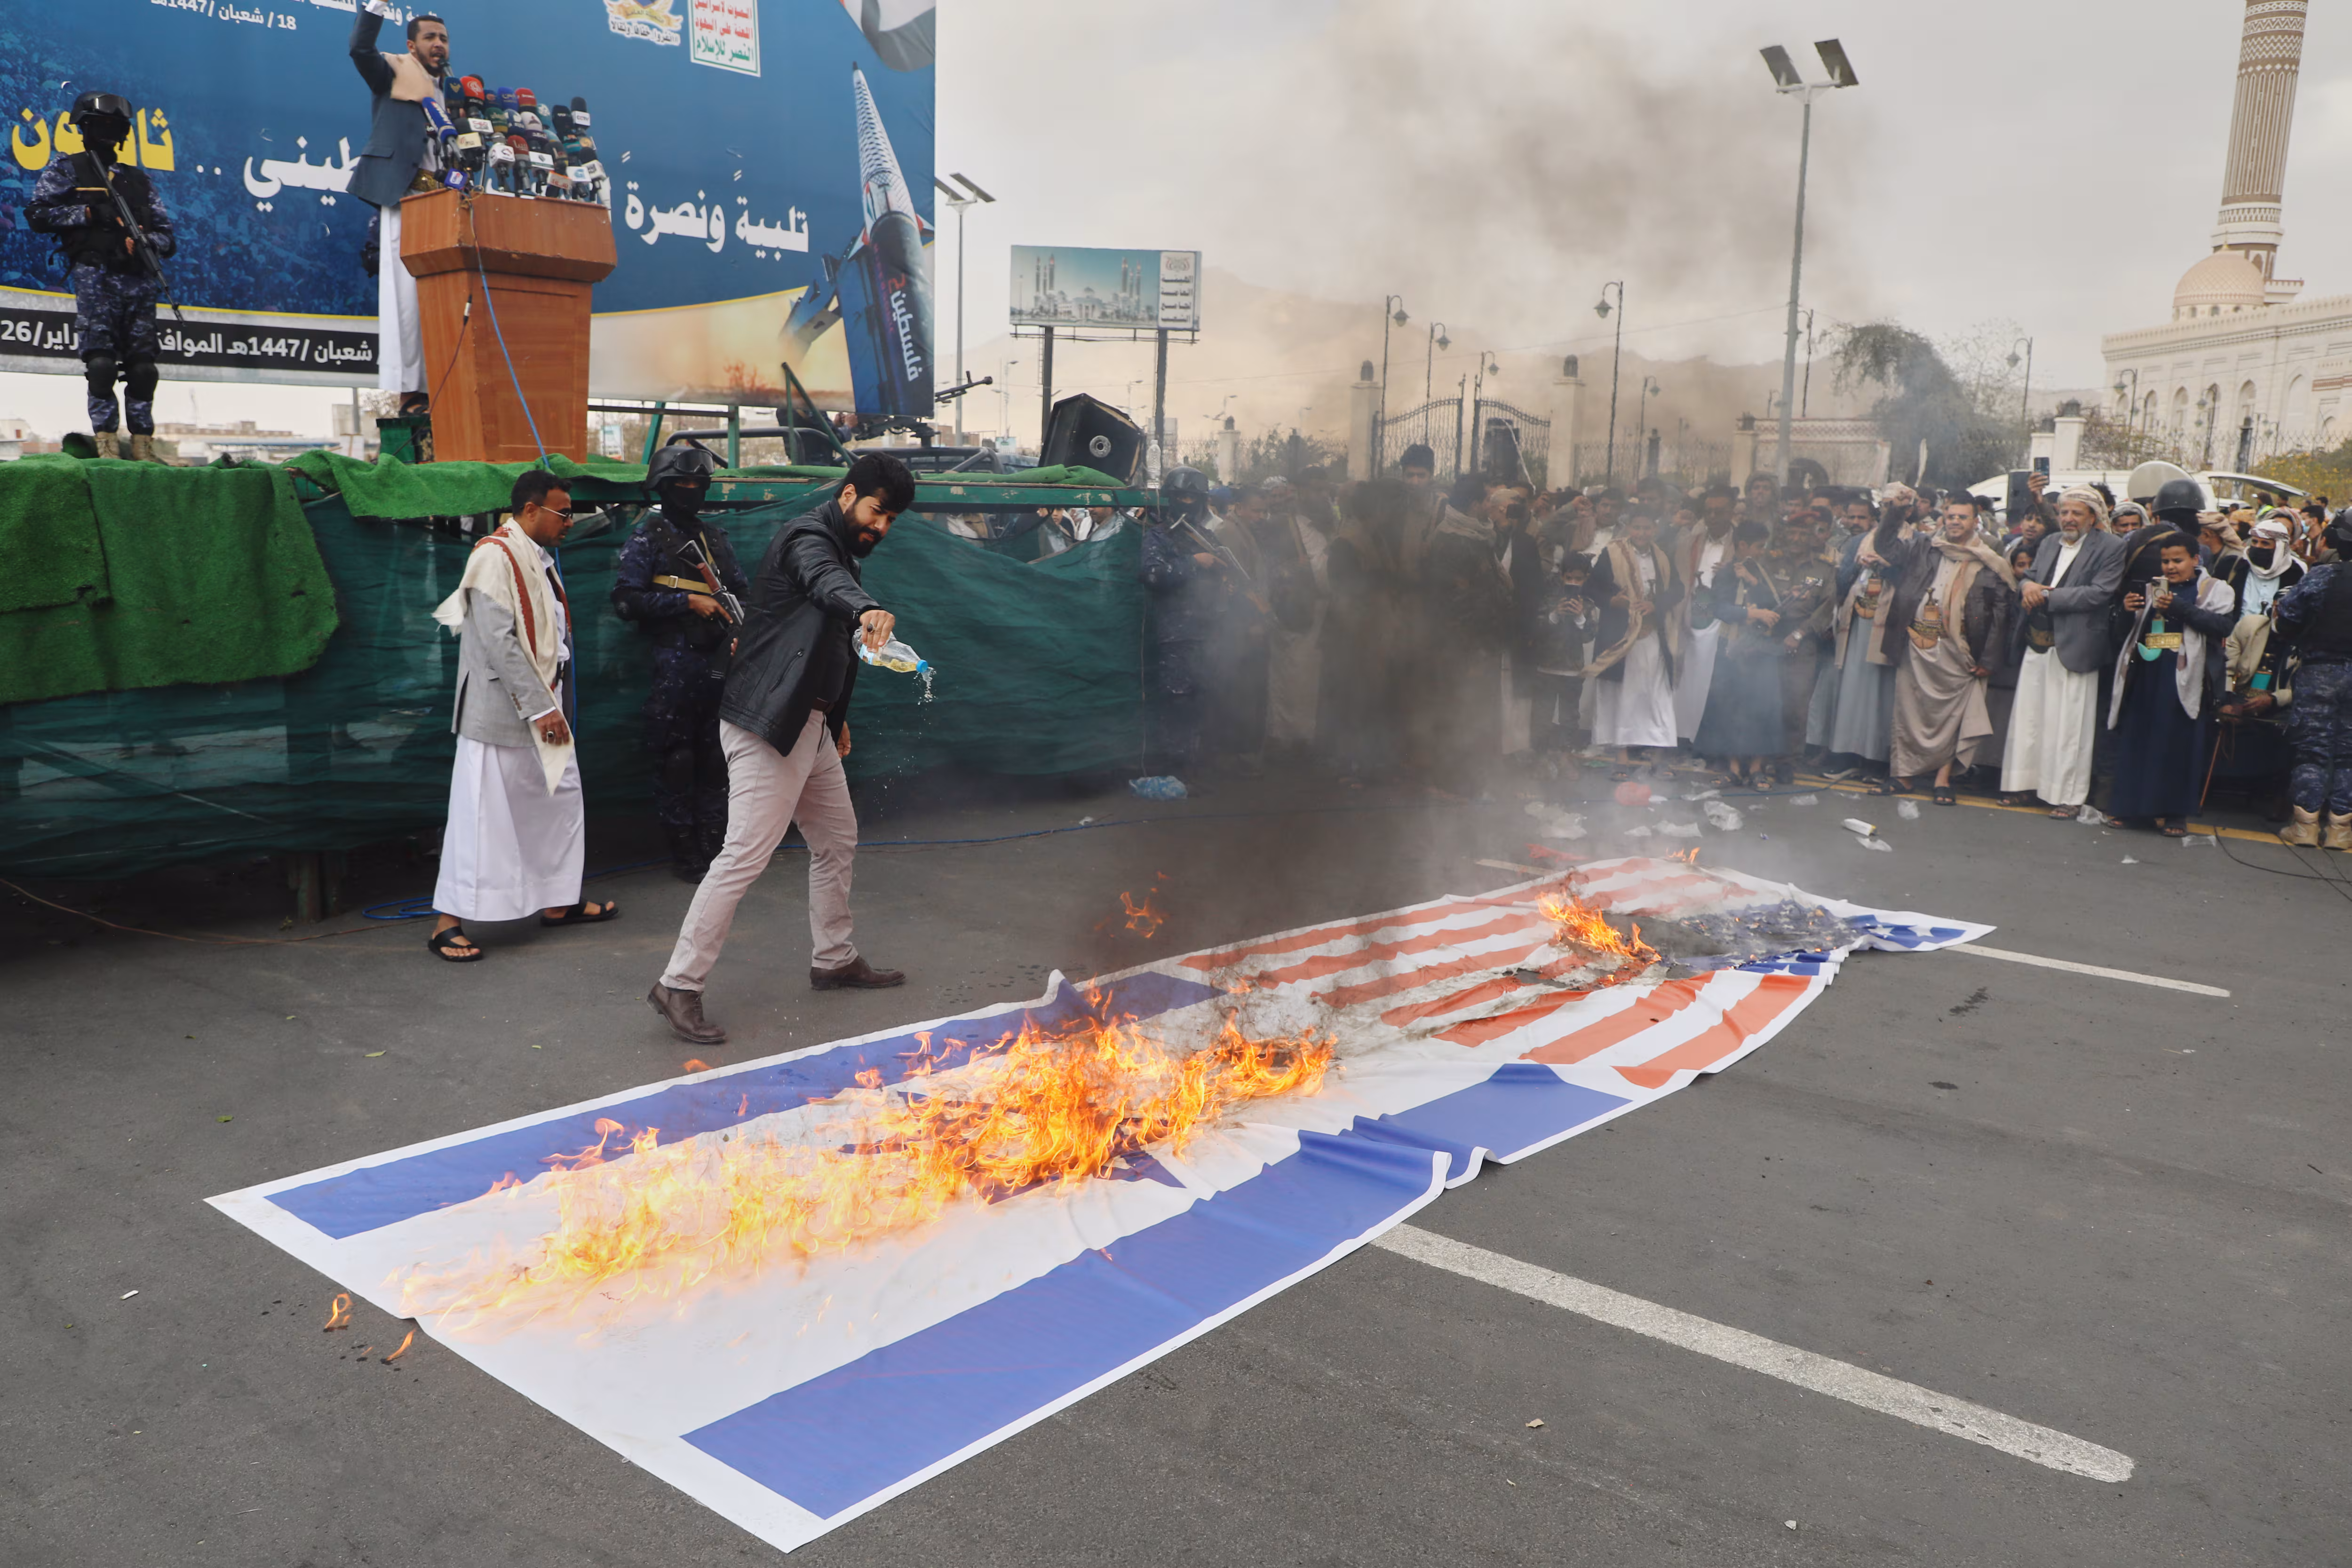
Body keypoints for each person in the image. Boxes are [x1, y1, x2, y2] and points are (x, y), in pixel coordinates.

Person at [648, 452, 914, 1045]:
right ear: (848, 496)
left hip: (806, 723)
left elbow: (830, 644)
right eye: (877, 511)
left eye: (892, 519)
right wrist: (866, 608)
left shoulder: (840, 548)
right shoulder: (808, 538)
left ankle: (834, 958)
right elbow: (826, 584)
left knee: (836, 840)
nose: (882, 528)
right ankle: (678, 983)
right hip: (770, 724)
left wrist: (832, 718)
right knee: (742, 856)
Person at [425, 471, 614, 962]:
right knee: (481, 814)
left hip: (544, 704)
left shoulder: (536, 557)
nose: (570, 522)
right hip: (506, 710)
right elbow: (498, 641)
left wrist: (548, 703)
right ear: (531, 511)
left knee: (560, 800)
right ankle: (447, 923)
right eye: (563, 512)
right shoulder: (493, 555)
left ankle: (557, 901)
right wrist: (539, 707)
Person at [612, 442, 753, 882]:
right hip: (675, 662)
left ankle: (714, 847)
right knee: (678, 758)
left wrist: (736, 628)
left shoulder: (716, 539)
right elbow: (625, 601)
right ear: (663, 487)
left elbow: (742, 593)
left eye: (698, 483)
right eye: (682, 483)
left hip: (717, 661)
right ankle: (686, 851)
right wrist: (685, 602)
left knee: (716, 756)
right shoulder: (647, 536)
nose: (691, 490)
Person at [24, 93, 175, 462]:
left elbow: (168, 237)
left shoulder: (139, 181)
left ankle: (143, 445)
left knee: (143, 369)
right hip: (96, 277)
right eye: (101, 126)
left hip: (138, 281)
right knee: (102, 365)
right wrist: (90, 214)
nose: (108, 134)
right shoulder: (67, 170)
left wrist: (143, 242)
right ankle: (106, 443)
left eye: (115, 128)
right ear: (85, 130)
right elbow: (38, 215)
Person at [1867, 495, 2016, 804]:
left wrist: (1989, 659)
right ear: (1943, 518)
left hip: (1960, 650)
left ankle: (1943, 780)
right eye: (1951, 517)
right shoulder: (1925, 546)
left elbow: (2001, 612)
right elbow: (1885, 548)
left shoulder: (1990, 558)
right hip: (1917, 644)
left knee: (1953, 717)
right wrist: (1895, 512)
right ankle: (1904, 776)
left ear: (1976, 521)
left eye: (1963, 517)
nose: (1955, 522)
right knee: (1908, 711)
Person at [350, 2, 453, 409]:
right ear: (412, 45)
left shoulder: (453, 91)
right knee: (405, 298)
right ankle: (411, 391)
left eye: (443, 38)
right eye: (430, 37)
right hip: (406, 197)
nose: (438, 44)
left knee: (442, 296)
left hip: (444, 204)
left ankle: (443, 386)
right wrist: (374, 9)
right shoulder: (393, 71)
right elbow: (360, 50)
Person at [2000, 488, 2127, 816]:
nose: (2069, 519)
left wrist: (2046, 597)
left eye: (2077, 513)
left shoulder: (2111, 547)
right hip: (2037, 639)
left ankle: (2068, 796)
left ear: (2093, 517)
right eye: (2064, 513)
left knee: (2071, 724)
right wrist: (2027, 587)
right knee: (2031, 717)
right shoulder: (2048, 542)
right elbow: (2028, 577)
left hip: (2078, 644)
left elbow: (2100, 594)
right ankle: (2024, 786)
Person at [2106, 534, 2235, 836]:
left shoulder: (2213, 589)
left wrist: (2179, 607)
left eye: (2178, 561)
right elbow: (2127, 634)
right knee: (2139, 740)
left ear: (2195, 560)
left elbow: (2223, 626)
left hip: (2183, 679)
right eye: (2166, 561)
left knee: (2178, 745)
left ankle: (2175, 815)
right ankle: (2133, 810)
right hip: (2146, 675)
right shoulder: (2152, 587)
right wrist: (2127, 611)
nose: (2171, 567)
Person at [2266, 513, 2352, 847]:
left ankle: (2305, 826)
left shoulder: (2323, 577)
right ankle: (2342, 831)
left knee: (2313, 749)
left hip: (2321, 672)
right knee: (2349, 753)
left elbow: (2286, 618)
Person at [1582, 508, 1683, 779]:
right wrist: (1613, 601)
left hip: (1653, 637)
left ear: (1655, 530)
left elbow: (1678, 589)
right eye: (1637, 528)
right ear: (1629, 529)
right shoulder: (1611, 553)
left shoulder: (1662, 556)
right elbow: (1592, 588)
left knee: (1657, 696)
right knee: (1623, 697)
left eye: (1647, 528)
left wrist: (1656, 604)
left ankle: (1658, 758)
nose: (1642, 533)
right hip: (1622, 637)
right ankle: (1622, 760)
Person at [1322, 479, 1411, 781]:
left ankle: (1367, 759)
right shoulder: (1348, 542)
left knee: (1370, 699)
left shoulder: (1375, 538)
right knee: (1353, 700)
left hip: (1372, 634)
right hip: (1352, 637)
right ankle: (1351, 763)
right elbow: (1346, 592)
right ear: (1377, 509)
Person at [1138, 467, 1223, 772]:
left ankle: (1196, 764)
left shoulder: (1208, 537)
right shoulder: (1158, 536)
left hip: (1209, 633)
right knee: (1177, 702)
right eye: (1180, 496)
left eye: (1192, 497)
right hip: (1176, 633)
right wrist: (1194, 563)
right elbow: (1152, 575)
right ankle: (1175, 769)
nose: (1186, 502)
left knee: (1204, 700)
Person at [1692, 522, 1788, 787]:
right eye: (1758, 546)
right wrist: (1751, 613)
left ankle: (1757, 768)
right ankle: (1733, 768)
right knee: (1730, 708)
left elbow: (1776, 606)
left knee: (1763, 708)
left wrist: (1754, 581)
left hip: (1761, 650)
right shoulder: (1725, 574)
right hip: (1732, 650)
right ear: (1743, 546)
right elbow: (1716, 608)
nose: (1761, 551)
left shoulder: (1761, 571)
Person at [1821, 493, 1896, 770]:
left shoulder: (1907, 542)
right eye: (1850, 516)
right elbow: (1840, 584)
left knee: (1880, 696)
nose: (1855, 522)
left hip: (1884, 631)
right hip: (1853, 628)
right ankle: (1844, 753)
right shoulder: (1855, 544)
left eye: (1861, 517)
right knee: (1850, 690)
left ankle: (1876, 759)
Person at [1672, 484, 1738, 746]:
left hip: (1721, 620)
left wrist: (1732, 571)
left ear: (1731, 512)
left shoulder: (1738, 545)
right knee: (1685, 677)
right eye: (1709, 512)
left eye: (1719, 512)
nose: (1713, 517)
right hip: (1691, 614)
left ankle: (1704, 741)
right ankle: (1679, 737)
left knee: (1711, 679)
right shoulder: (1691, 542)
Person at [2220, 513, 2305, 616]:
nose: (2258, 547)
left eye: (2265, 543)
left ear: (2279, 547)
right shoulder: (2233, 566)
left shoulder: (2294, 574)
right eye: (2255, 542)